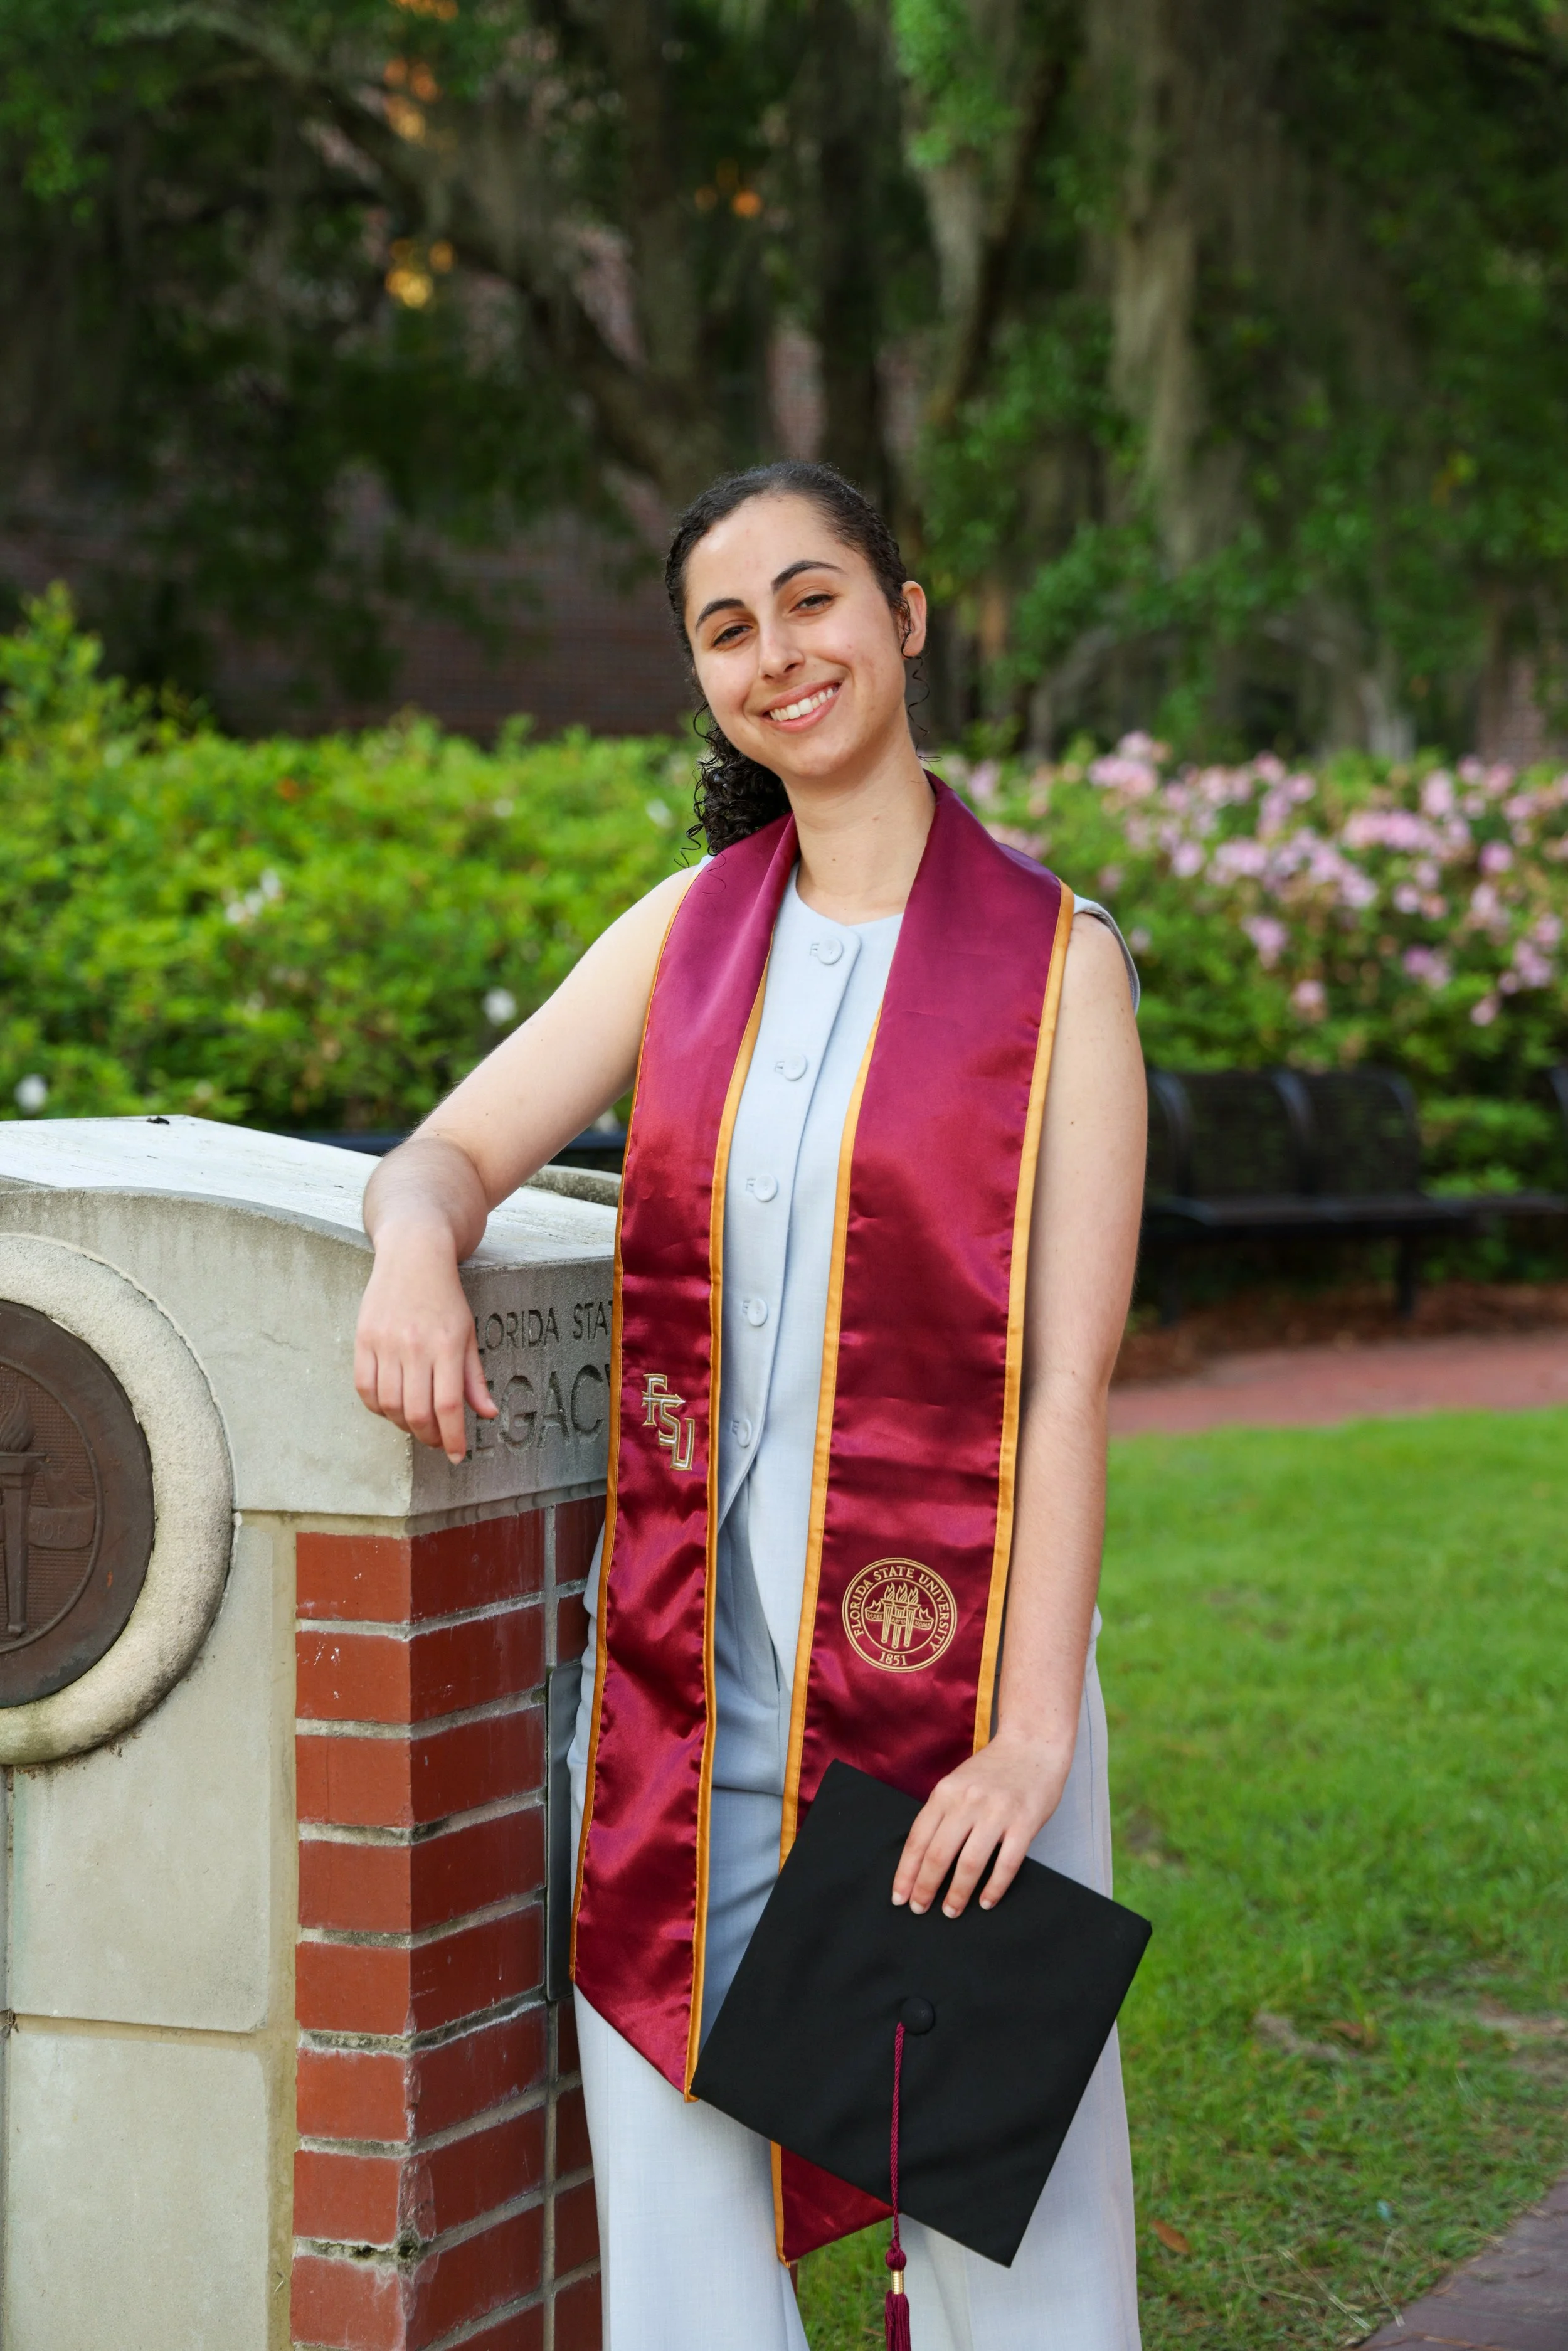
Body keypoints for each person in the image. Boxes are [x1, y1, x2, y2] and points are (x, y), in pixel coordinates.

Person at [353, 461, 1148, 2350]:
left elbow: (1061, 1389)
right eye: (729, 626)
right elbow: (449, 1153)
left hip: (947, 1684)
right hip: (681, 1676)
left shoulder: (1057, 972)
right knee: (670, 2160)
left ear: (905, 614)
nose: (779, 653)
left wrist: (1026, 1743)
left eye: (813, 600)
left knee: (990, 2210)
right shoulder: (688, 935)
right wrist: (405, 1246)